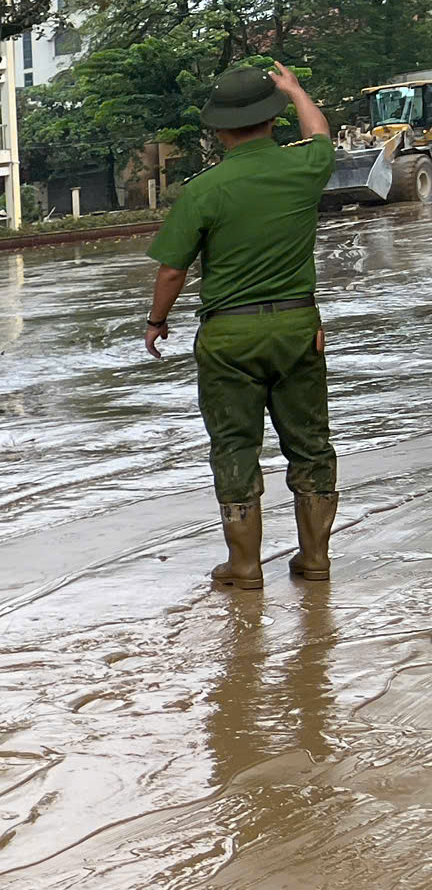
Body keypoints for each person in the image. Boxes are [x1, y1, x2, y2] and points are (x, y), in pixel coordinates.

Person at [143, 61, 339, 588]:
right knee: (311, 442)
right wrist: (297, 90)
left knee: (234, 445)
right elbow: (320, 133)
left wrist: (156, 322)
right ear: (273, 120)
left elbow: (172, 270)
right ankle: (314, 559)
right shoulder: (304, 168)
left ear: (219, 129)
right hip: (300, 328)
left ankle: (245, 566)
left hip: (229, 335)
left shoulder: (205, 190)